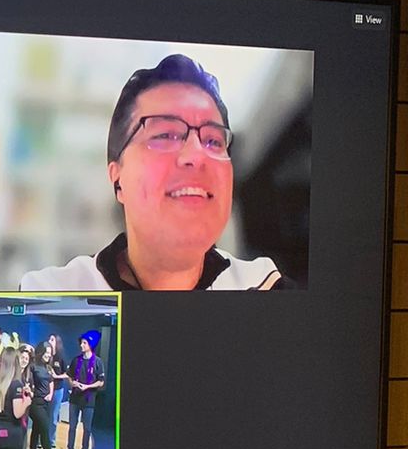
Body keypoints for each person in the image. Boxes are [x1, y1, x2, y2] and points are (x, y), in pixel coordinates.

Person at [19, 54, 289, 292]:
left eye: (213, 141)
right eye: (166, 135)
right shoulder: (54, 296)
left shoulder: (264, 289)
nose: (197, 155)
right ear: (117, 178)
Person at [65, 335, 106, 449]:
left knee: (87, 428)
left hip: (89, 400)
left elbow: (101, 382)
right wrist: (72, 383)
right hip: (74, 399)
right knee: (72, 427)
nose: (81, 345)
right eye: (81, 343)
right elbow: (69, 376)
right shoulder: (76, 360)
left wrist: (87, 386)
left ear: (90, 345)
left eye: (84, 343)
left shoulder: (98, 362)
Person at [27, 337, 62, 449]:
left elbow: (51, 381)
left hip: (46, 403)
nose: (48, 355)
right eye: (46, 353)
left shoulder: (48, 367)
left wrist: (51, 394)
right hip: (35, 403)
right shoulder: (33, 366)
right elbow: (28, 382)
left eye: (50, 353)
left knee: (37, 428)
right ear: (40, 352)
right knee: (45, 427)